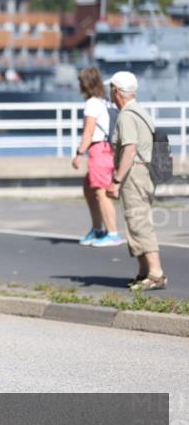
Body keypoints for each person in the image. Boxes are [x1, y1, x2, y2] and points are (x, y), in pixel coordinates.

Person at [105, 71, 166, 291]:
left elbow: (129, 150)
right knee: (134, 221)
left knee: (139, 221)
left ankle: (156, 273)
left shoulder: (127, 116)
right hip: (145, 173)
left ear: (116, 91)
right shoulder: (141, 112)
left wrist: (117, 180)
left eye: (110, 89)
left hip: (134, 174)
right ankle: (144, 272)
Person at [71, 67, 123, 247]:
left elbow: (88, 132)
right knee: (89, 187)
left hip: (99, 150)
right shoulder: (106, 102)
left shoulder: (92, 104)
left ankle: (113, 233)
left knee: (101, 192)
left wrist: (79, 154)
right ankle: (97, 229)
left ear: (85, 84)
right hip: (109, 149)